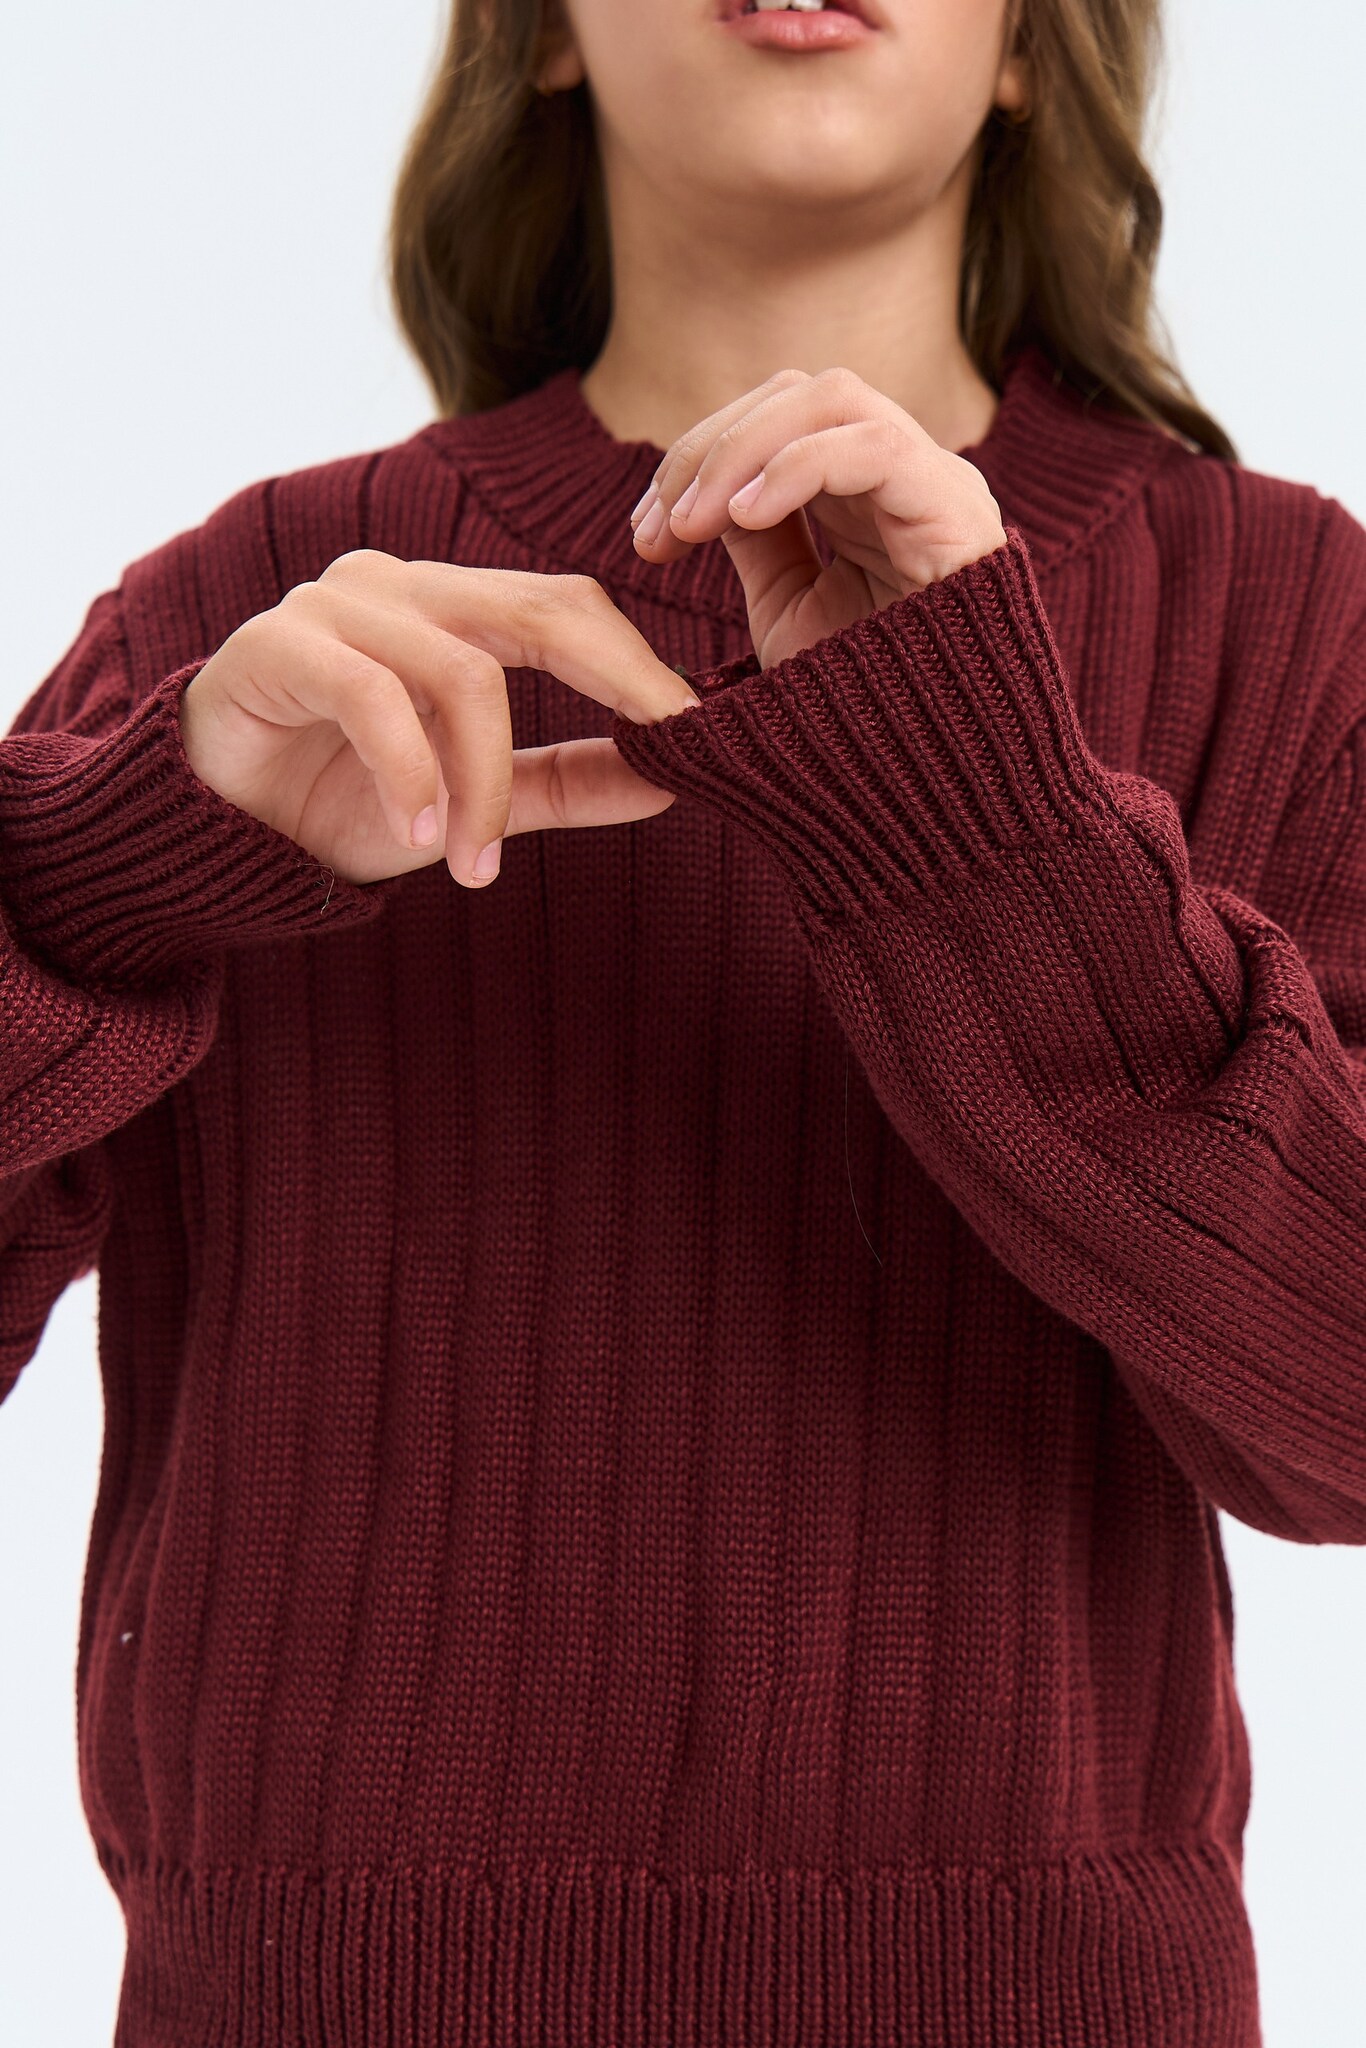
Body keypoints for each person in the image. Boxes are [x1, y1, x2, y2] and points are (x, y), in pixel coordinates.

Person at [2, 0, 1363, 2040]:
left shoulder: (1288, 614)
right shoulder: (248, 616)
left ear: (1028, 48)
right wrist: (117, 867)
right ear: (539, 37)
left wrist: (993, 812)